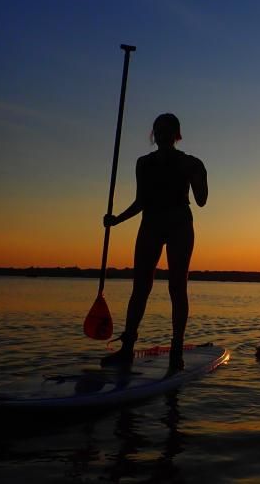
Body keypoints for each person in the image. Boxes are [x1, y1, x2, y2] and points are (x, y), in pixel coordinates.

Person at [101, 113, 208, 373]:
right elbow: (141, 201)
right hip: (151, 224)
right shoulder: (143, 163)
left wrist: (197, 174)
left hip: (179, 225)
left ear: (176, 134)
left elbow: (202, 200)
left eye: (167, 129)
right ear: (153, 133)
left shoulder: (190, 162)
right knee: (140, 287)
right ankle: (127, 348)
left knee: (177, 286)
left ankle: (177, 349)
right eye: (157, 129)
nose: (161, 134)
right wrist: (116, 220)